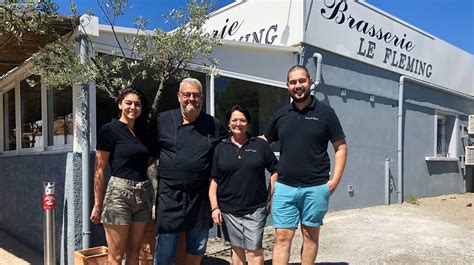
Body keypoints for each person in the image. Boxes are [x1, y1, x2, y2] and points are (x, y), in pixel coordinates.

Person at [263, 65, 347, 265]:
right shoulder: (281, 114)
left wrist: (335, 180)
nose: (298, 85)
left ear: (309, 81)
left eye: (302, 81)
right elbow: (264, 141)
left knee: (310, 236)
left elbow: (341, 147)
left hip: (316, 187)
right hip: (284, 187)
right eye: (293, 82)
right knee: (282, 236)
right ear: (287, 86)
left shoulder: (326, 113)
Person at [152, 77, 228, 265]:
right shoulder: (163, 120)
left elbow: (231, 145)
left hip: (199, 197)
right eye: (187, 95)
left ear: (202, 98)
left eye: (196, 95)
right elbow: (149, 154)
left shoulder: (213, 125)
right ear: (179, 96)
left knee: (198, 246)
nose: (191, 99)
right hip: (169, 196)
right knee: (165, 251)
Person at [90, 88, 154, 265]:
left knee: (134, 251)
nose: (133, 107)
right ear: (120, 104)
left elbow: (147, 159)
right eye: (129, 103)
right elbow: (100, 169)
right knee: (116, 255)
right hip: (119, 195)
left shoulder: (142, 134)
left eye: (137, 104)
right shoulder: (109, 130)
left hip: (143, 195)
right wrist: (98, 204)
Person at [209, 105, 278, 265]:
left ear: (248, 123)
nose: (238, 123)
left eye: (242, 120)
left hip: (255, 208)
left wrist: (270, 197)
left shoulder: (260, 145)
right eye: (234, 120)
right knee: (237, 249)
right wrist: (215, 207)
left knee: (254, 251)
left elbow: (275, 171)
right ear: (228, 124)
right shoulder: (220, 148)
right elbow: (213, 180)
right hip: (228, 210)